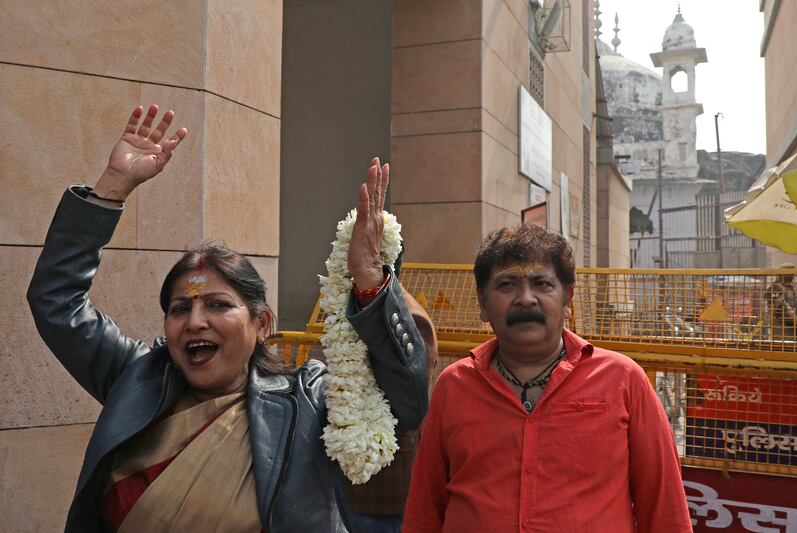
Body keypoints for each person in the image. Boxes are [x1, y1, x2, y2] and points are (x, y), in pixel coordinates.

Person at [27, 104, 431, 532]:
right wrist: (112, 187)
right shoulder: (136, 380)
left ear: (262, 325)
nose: (196, 321)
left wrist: (369, 282)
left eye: (218, 305)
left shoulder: (305, 401)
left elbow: (404, 400)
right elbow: (56, 300)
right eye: (180, 309)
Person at [403, 224, 692, 532]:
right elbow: (425, 507)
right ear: (483, 304)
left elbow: (665, 510)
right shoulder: (454, 386)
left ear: (567, 298)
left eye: (542, 284)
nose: (526, 299)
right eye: (507, 285)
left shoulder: (623, 380)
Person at [338, 243, 438, 533]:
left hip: (384, 483)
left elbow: (409, 406)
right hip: (347, 475)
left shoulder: (409, 316)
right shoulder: (348, 305)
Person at [769, 263, 797, 341]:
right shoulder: (775, 287)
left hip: (793, 325)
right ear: (782, 274)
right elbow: (777, 307)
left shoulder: (791, 287)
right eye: (789, 274)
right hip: (781, 324)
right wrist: (795, 320)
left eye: (792, 274)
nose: (791, 276)